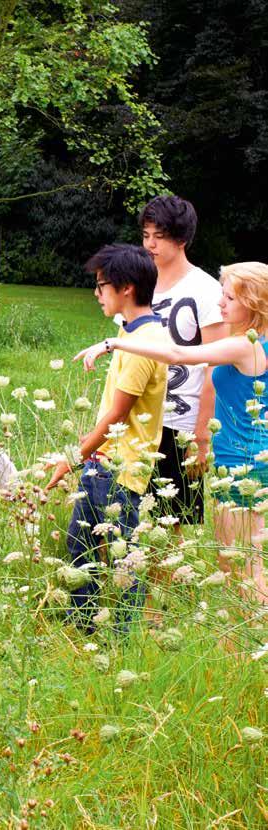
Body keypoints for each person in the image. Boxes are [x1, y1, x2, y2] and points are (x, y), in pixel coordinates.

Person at [77, 262, 268, 604]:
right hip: (243, 462)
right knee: (234, 564)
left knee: (245, 569)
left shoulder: (245, 346)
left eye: (229, 298)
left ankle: (254, 647)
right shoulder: (253, 343)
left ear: (253, 304)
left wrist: (115, 343)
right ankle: (237, 652)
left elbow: (179, 354)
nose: (220, 304)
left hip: (244, 467)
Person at [46, 244, 168, 629]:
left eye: (102, 286)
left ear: (126, 288)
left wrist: (72, 457)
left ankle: (121, 636)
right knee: (80, 545)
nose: (97, 294)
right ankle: (83, 623)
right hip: (107, 463)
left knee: (122, 557)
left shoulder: (142, 347)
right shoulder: (135, 330)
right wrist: (102, 347)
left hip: (119, 467)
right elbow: (123, 337)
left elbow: (117, 414)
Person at [138, 196, 227, 534]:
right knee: (131, 518)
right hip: (139, 418)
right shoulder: (139, 284)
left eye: (158, 236)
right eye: (146, 235)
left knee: (170, 524)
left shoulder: (204, 290)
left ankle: (166, 589)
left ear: (181, 238)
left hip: (180, 424)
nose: (150, 244)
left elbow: (214, 365)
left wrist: (202, 435)